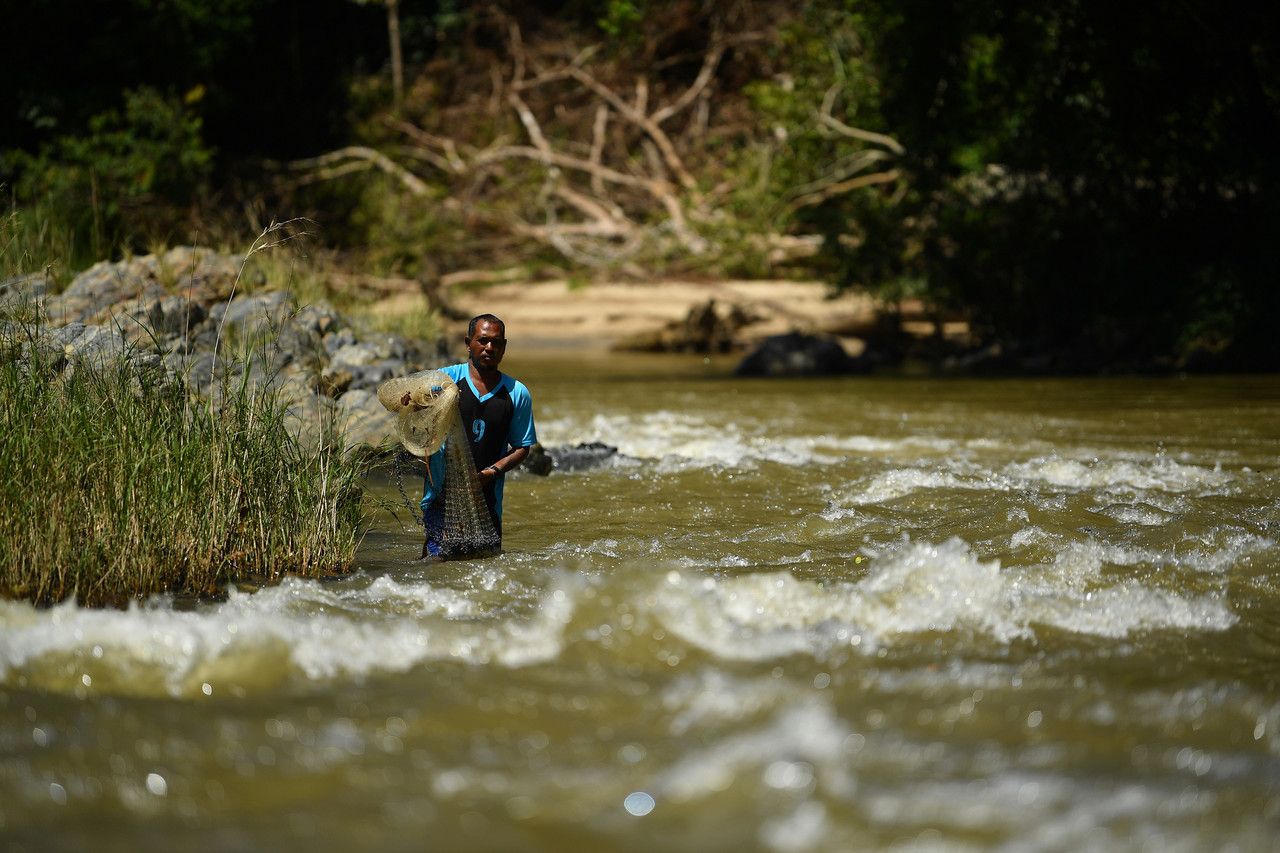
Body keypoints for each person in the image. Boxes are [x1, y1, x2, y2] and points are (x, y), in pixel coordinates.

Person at [420, 313, 537, 558]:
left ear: (504, 347)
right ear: (468, 343)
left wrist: (490, 473)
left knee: (484, 568)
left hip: (487, 502)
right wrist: (412, 403)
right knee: (435, 565)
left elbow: (521, 448)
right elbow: (412, 403)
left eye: (496, 342)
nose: (489, 347)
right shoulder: (445, 380)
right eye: (483, 340)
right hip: (442, 498)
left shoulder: (516, 393)